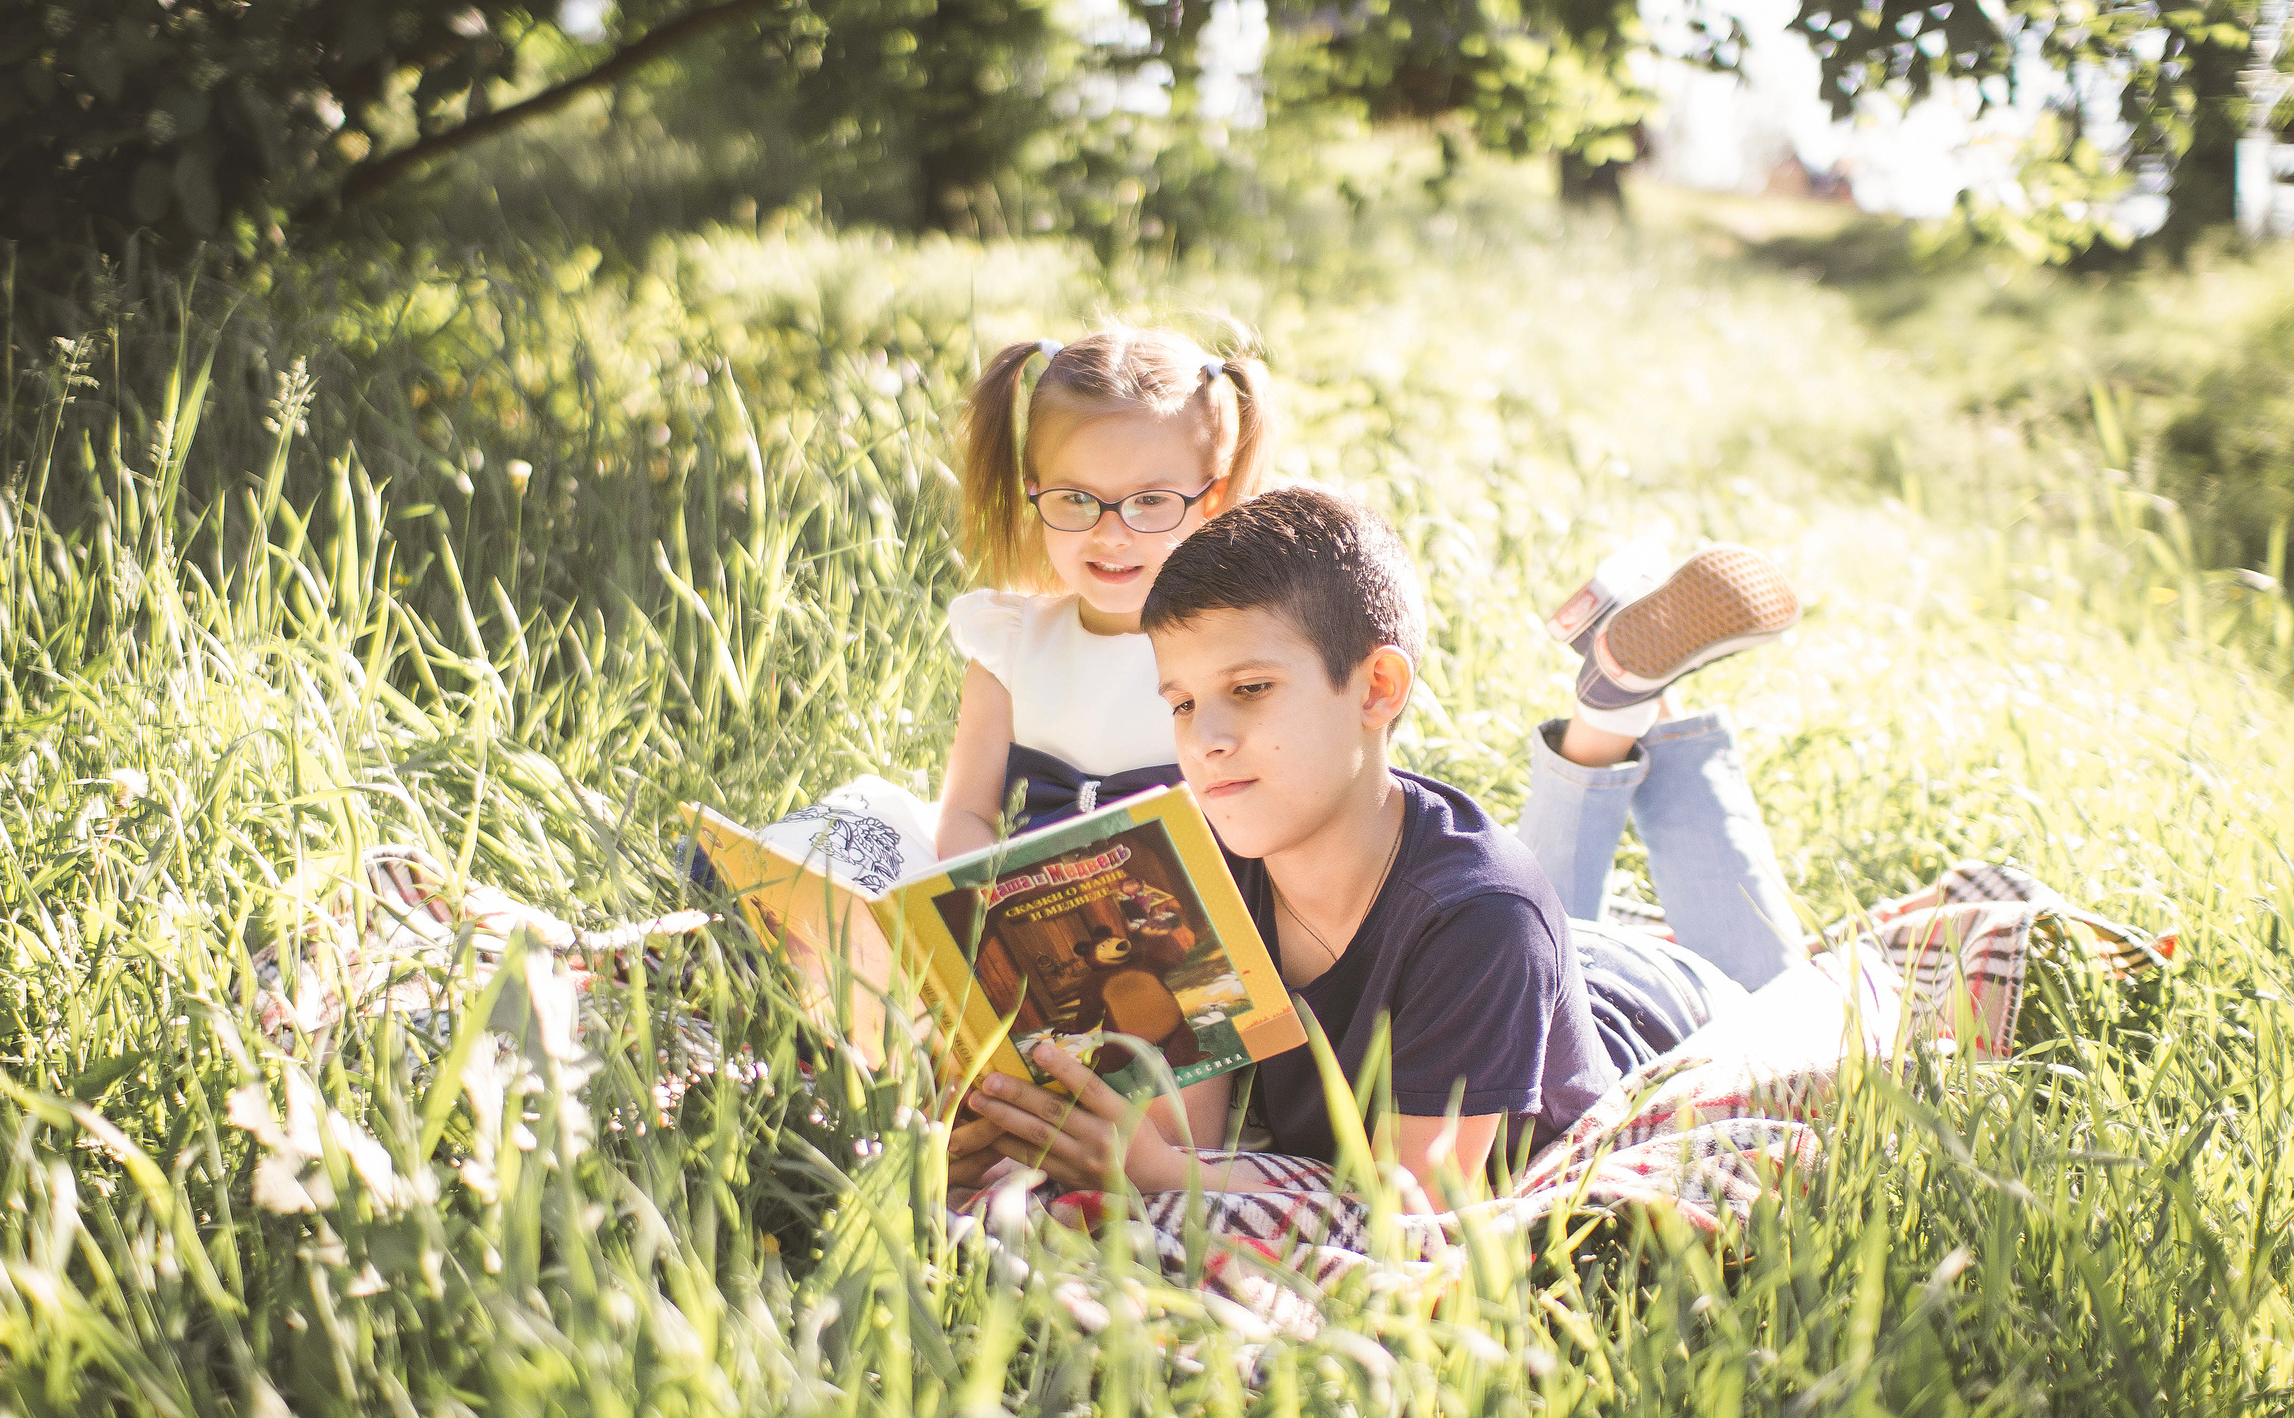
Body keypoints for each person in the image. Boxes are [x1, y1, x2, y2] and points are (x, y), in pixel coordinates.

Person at [951, 484, 1807, 1210]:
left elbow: (1417, 1202)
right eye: (1180, 704)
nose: (1204, 740)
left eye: (1250, 689)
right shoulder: (1197, 858)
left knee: (1793, 995)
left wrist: (1167, 1174)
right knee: (1527, 910)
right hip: (1520, 957)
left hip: (1655, 1005)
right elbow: (1185, 1129)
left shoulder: (1483, 920)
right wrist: (1019, 1127)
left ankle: (1620, 707)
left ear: (1378, 688)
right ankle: (1615, 703)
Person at [690, 326, 1275, 895]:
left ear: (1212, 499)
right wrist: (992, 901)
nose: (1111, 533)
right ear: (1033, 490)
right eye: (1076, 499)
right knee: (824, 857)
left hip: (1168, 910)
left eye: (1150, 501)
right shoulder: (1014, 643)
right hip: (1014, 898)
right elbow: (967, 813)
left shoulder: (1237, 653)